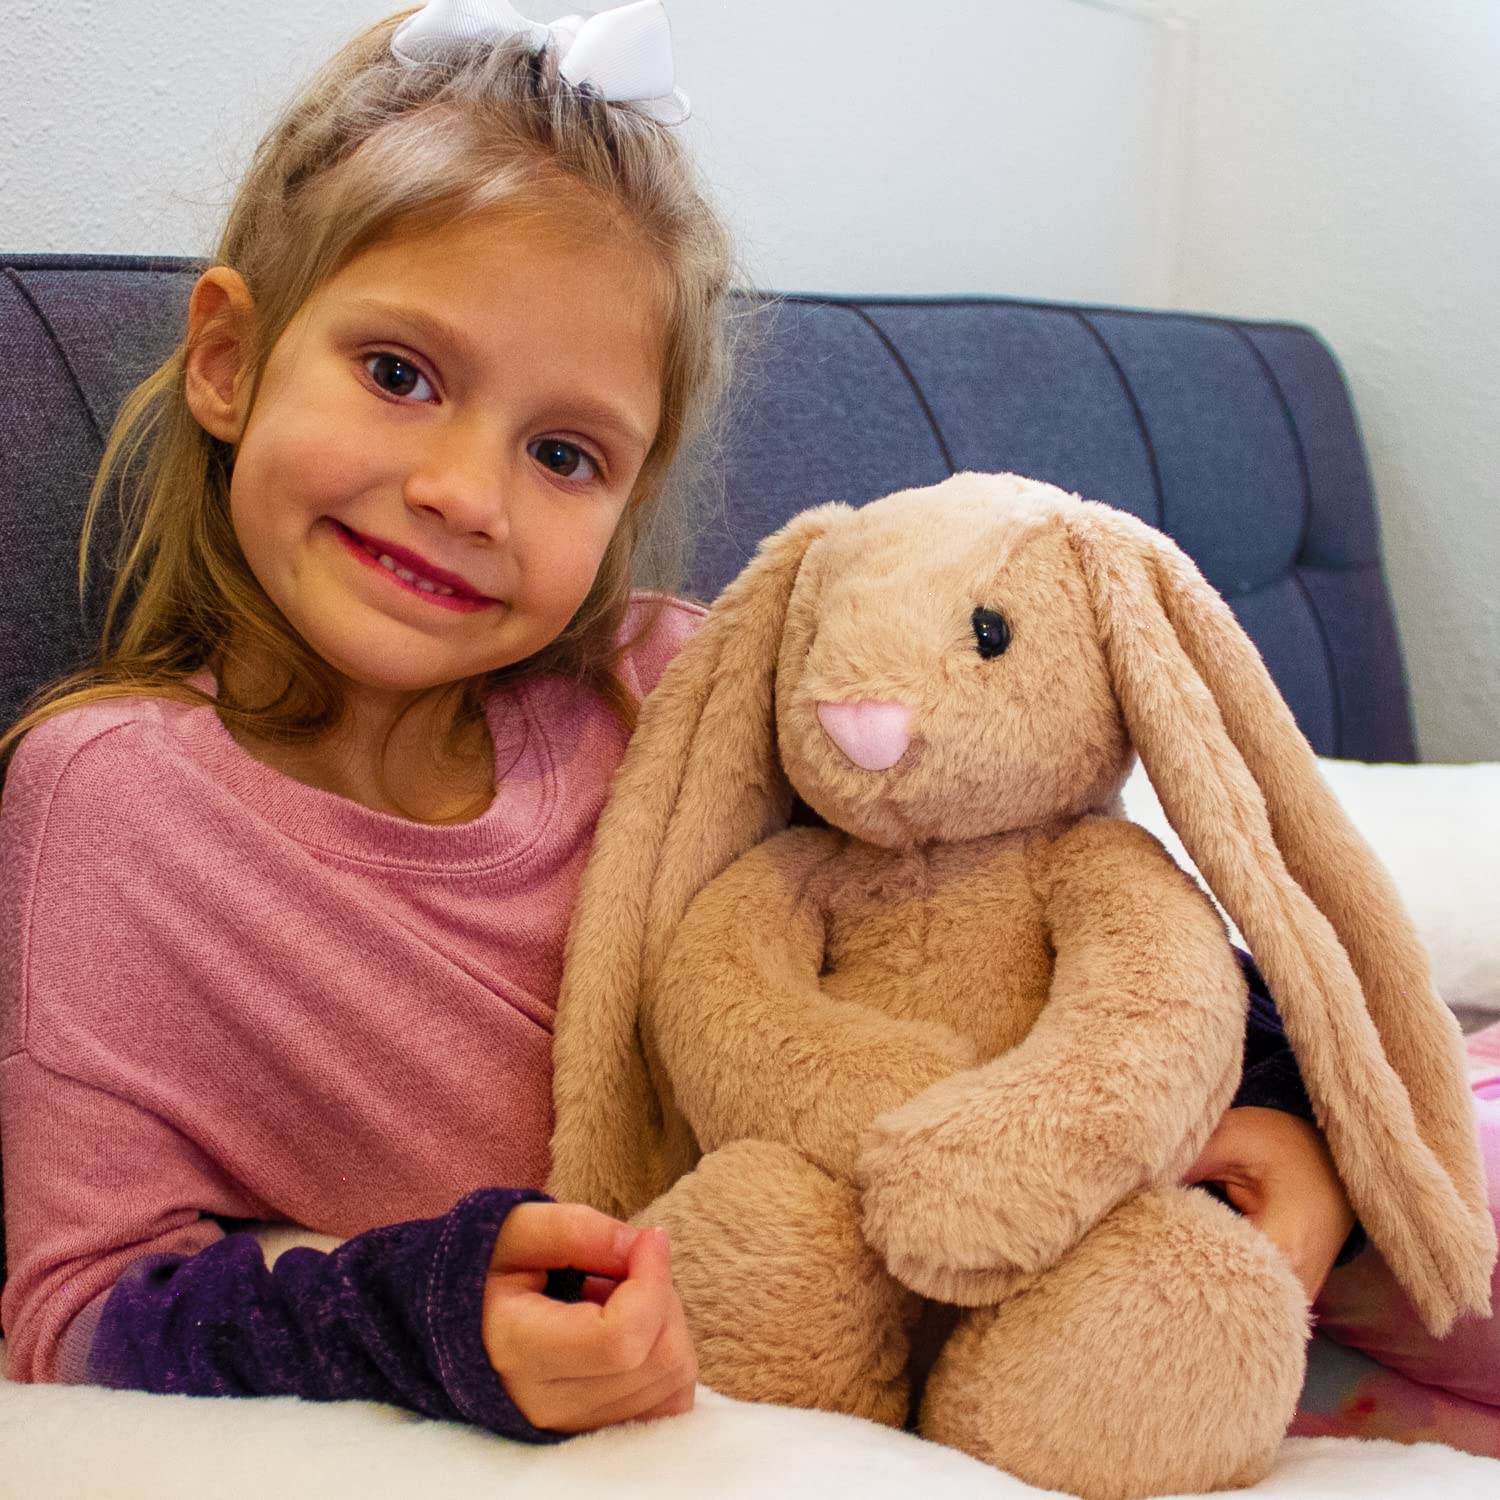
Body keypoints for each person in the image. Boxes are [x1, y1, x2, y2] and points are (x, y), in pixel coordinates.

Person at [0, 0, 1480, 1452]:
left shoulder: (674, 687)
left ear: (629, 497)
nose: (464, 494)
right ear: (228, 359)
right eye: (399, 375)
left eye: (563, 453)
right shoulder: (115, 807)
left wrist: (1294, 1130)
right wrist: (427, 1317)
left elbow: (1043, 896)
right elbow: (75, 1309)